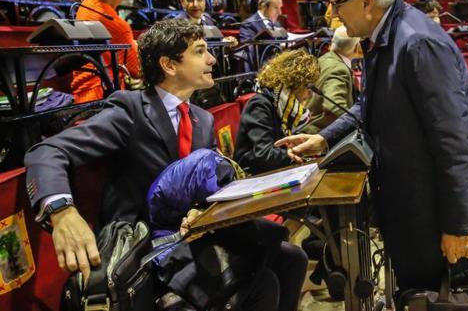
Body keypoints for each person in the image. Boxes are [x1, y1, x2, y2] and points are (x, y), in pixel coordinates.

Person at [275, 0, 468, 291]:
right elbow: (370, 104)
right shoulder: (383, 36)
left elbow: (454, 142)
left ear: (366, 0)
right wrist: (325, 139)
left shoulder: (418, 44)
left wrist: (458, 227)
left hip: (439, 215)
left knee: (442, 297)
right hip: (417, 207)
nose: (331, 12)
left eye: (336, 3)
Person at [24, 19, 308, 311]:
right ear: (169, 65)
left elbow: (201, 187)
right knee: (264, 284)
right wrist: (61, 212)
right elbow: (45, 151)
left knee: (292, 258)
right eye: (200, 52)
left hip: (194, 234)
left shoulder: (202, 118)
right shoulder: (130, 110)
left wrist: (202, 210)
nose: (212, 59)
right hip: (144, 247)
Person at [234, 49, 319, 175]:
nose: (309, 93)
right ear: (293, 84)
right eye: (307, 86)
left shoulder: (286, 107)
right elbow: (263, 154)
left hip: (274, 172)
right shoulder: (260, 105)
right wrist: (297, 152)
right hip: (252, 177)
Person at [72, 0, 142, 103]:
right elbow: (137, 70)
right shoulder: (117, 25)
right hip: (105, 97)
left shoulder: (86, 4)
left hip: (81, 91)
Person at [302, 26, 358, 134]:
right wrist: (354, 124)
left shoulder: (324, 59)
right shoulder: (339, 69)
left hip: (307, 129)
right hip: (320, 135)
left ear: (333, 41)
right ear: (356, 48)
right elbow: (333, 105)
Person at [238, 0, 284, 70]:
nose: (280, 12)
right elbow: (249, 53)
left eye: (280, 8)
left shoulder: (277, 24)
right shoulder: (248, 25)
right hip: (261, 69)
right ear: (263, 6)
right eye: (276, 8)